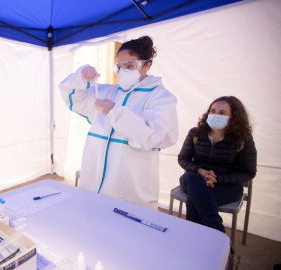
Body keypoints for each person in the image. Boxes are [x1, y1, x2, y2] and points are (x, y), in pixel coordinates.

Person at [59, 36, 178, 210]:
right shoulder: (109, 92)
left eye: (130, 66)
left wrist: (115, 112)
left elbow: (158, 136)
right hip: (95, 180)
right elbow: (73, 99)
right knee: (92, 220)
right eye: (119, 67)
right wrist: (82, 76)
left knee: (127, 228)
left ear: (147, 65)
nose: (123, 71)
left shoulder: (160, 97)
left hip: (129, 184)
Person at [178, 96, 257, 233]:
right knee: (192, 179)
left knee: (194, 200)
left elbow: (248, 172)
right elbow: (183, 159)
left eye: (222, 113)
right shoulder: (195, 133)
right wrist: (200, 171)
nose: (215, 115)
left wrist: (217, 178)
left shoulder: (243, 139)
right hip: (194, 179)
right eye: (212, 111)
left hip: (227, 186)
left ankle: (193, 242)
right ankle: (217, 232)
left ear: (234, 117)